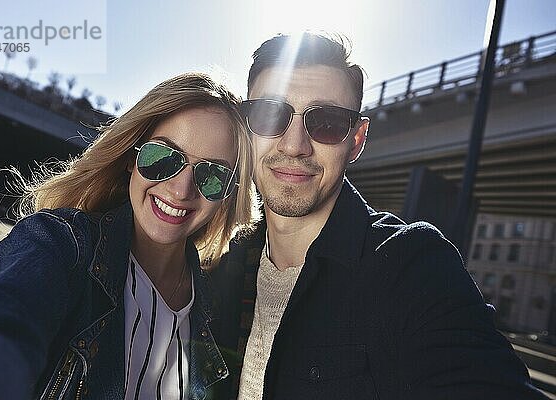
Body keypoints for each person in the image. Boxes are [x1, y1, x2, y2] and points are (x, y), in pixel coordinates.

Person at [209, 33, 549, 399]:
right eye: (270, 114)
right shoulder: (218, 259)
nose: (294, 145)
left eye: (327, 123)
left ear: (356, 140)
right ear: (245, 127)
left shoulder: (412, 266)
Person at [0, 73, 258, 399]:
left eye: (212, 175)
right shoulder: (63, 244)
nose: (181, 190)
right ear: (132, 157)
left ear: (228, 195)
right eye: (164, 158)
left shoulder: (215, 302)